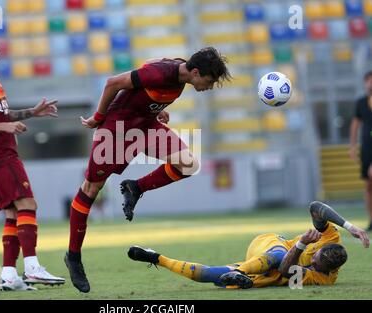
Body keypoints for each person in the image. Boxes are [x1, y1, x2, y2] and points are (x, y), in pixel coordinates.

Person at [65, 47, 232, 293]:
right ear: (196, 72)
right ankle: (74, 257)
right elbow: (113, 83)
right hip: (118, 129)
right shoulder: (160, 74)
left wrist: (155, 106)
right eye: (208, 81)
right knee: (91, 189)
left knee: (189, 164)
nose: (209, 87)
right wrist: (97, 118)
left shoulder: (179, 70)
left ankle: (136, 187)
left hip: (145, 126)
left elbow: (149, 64)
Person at [0, 31, 65, 291]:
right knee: (29, 204)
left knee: (13, 212)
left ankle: (8, 275)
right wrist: (5, 128)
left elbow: (4, 114)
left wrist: (33, 112)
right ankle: (32, 268)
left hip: (2, 153)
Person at [128, 201, 369, 289]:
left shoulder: (322, 279)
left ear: (326, 270)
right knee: (278, 255)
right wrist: (350, 227)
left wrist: (302, 247)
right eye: (315, 256)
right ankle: (240, 273)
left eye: (315, 264)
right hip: (270, 245)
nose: (313, 261)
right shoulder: (330, 238)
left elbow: (286, 273)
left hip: (268, 274)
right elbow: (316, 207)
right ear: (323, 247)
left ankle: (155, 257)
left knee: (209, 276)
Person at [350, 70, 372, 232]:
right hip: (367, 149)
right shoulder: (361, 102)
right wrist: (352, 146)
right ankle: (371, 220)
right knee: (368, 186)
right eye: (368, 80)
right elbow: (355, 125)